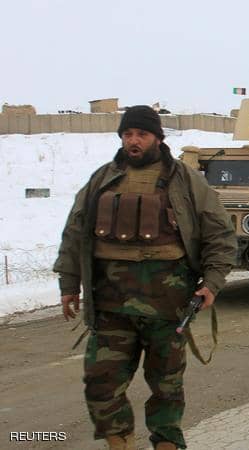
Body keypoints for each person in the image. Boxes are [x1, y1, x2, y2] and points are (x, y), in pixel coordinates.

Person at [54, 106, 237, 450]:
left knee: (167, 387)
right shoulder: (102, 179)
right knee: (100, 384)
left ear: (158, 138)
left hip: (167, 309)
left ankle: (166, 444)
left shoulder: (185, 180)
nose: (133, 141)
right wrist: (68, 284)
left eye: (141, 134)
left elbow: (220, 235)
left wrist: (212, 283)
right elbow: (75, 232)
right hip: (111, 305)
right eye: (127, 134)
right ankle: (119, 443)